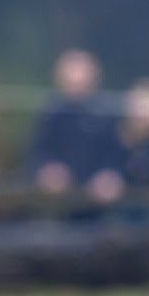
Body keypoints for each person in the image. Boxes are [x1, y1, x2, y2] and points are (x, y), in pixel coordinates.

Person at [25, 49, 121, 204]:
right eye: (71, 76)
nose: (77, 81)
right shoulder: (50, 113)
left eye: (82, 74)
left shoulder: (106, 116)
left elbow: (115, 157)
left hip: (99, 208)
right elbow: (36, 155)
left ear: (94, 78)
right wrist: (47, 171)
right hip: (55, 205)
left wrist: (110, 175)